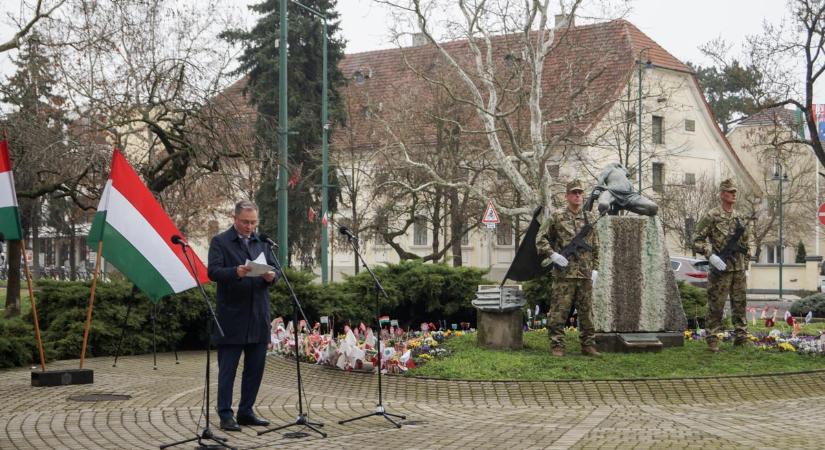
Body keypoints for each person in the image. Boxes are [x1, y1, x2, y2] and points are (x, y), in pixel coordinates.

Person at [208, 200, 280, 431]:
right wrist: (235, 272)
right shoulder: (220, 242)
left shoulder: (263, 242)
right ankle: (226, 414)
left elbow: (276, 269)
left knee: (255, 369)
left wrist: (272, 276)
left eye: (253, 222)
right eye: (245, 222)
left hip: (258, 317)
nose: (249, 227)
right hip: (232, 318)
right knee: (228, 370)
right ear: (235, 219)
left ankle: (246, 412)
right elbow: (213, 271)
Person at [536, 179, 601, 357]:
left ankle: (588, 345)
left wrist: (596, 269)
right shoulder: (556, 216)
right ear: (567, 196)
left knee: (587, 312)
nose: (577, 195)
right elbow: (540, 239)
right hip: (564, 274)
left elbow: (596, 246)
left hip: (585, 273)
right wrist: (552, 255)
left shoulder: (590, 217)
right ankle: (557, 345)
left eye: (580, 192)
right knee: (559, 312)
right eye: (574, 192)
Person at [692, 178, 752, 352]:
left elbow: (746, 244)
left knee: (740, 303)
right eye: (730, 191)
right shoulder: (712, 216)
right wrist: (711, 256)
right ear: (722, 194)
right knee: (716, 304)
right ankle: (711, 338)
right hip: (720, 268)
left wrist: (746, 264)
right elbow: (696, 240)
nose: (734, 194)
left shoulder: (739, 217)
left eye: (735, 191)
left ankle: (741, 337)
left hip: (738, 268)